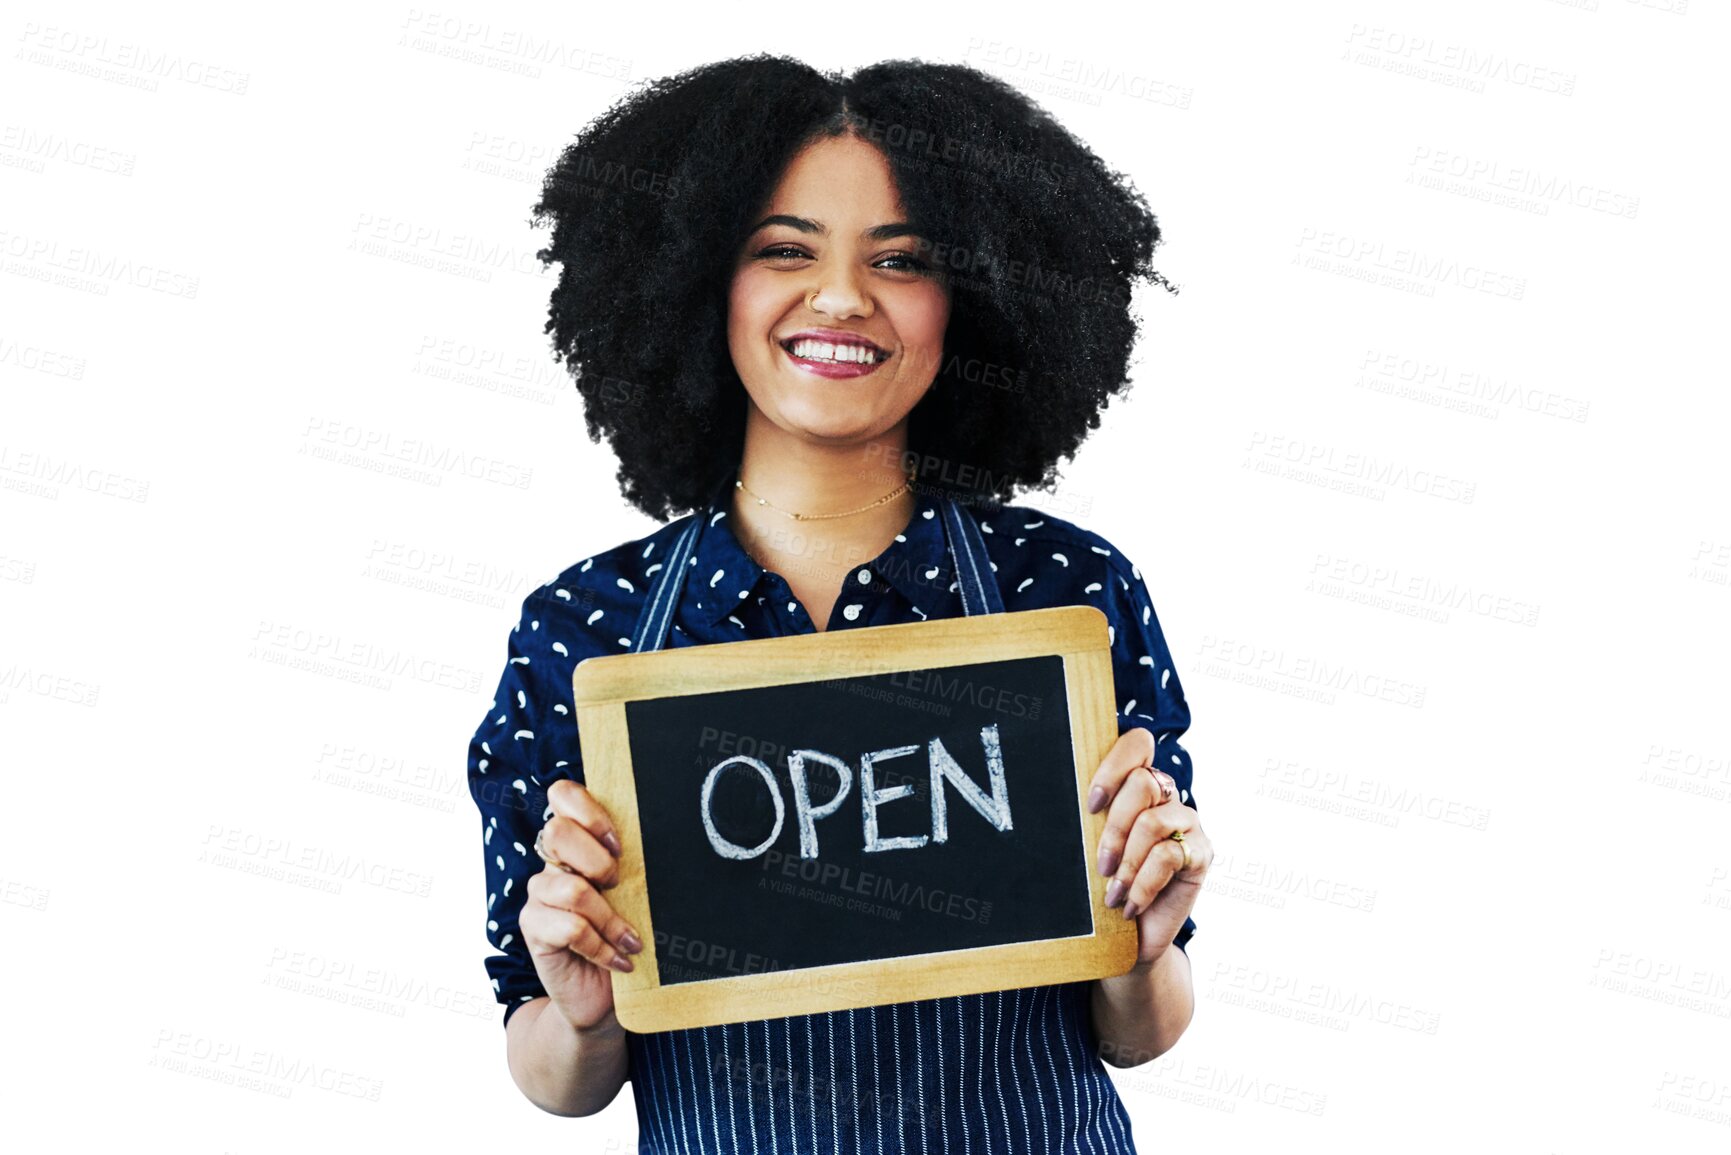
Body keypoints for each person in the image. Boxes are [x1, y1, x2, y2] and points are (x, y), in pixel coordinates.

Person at [466, 54, 1214, 1152]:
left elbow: (1138, 1034)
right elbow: (553, 1071)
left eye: (900, 260)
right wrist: (581, 1011)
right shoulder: (588, 629)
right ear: (695, 280)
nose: (839, 298)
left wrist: (1148, 945)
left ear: (972, 296)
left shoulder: (1069, 598)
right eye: (784, 250)